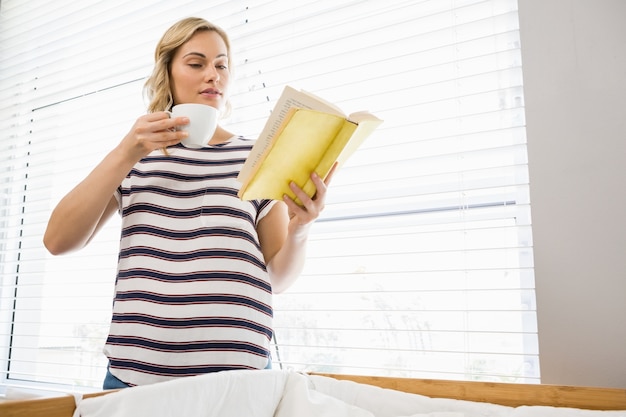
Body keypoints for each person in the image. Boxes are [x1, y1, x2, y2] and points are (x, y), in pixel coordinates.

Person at [43, 17, 334, 389]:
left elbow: (277, 279)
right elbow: (57, 241)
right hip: (135, 379)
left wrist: (301, 228)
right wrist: (127, 150)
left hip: (240, 380)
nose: (212, 74)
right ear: (168, 71)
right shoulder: (134, 155)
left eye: (221, 64)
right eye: (196, 63)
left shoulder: (257, 157)